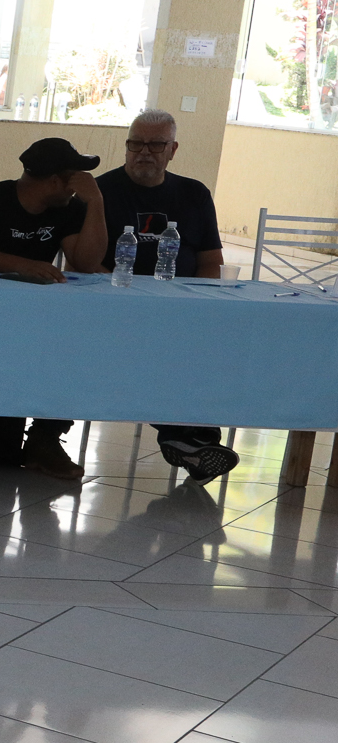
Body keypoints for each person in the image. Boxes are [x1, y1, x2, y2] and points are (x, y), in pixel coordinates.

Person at [0, 136, 109, 481]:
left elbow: (86, 262)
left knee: (78, 346)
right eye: (75, 176)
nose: (80, 183)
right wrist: (23, 264)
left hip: (39, 316)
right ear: (55, 181)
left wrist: (95, 203)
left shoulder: (70, 207)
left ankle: (45, 437)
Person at [96, 109, 237, 482]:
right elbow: (84, 261)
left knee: (209, 350)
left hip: (180, 307)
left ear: (172, 149)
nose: (144, 152)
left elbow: (210, 261)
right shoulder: (100, 191)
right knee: (149, 352)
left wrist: (201, 304)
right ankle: (189, 441)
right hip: (117, 306)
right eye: (135, 143)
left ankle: (193, 441)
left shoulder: (194, 193)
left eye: (155, 144)